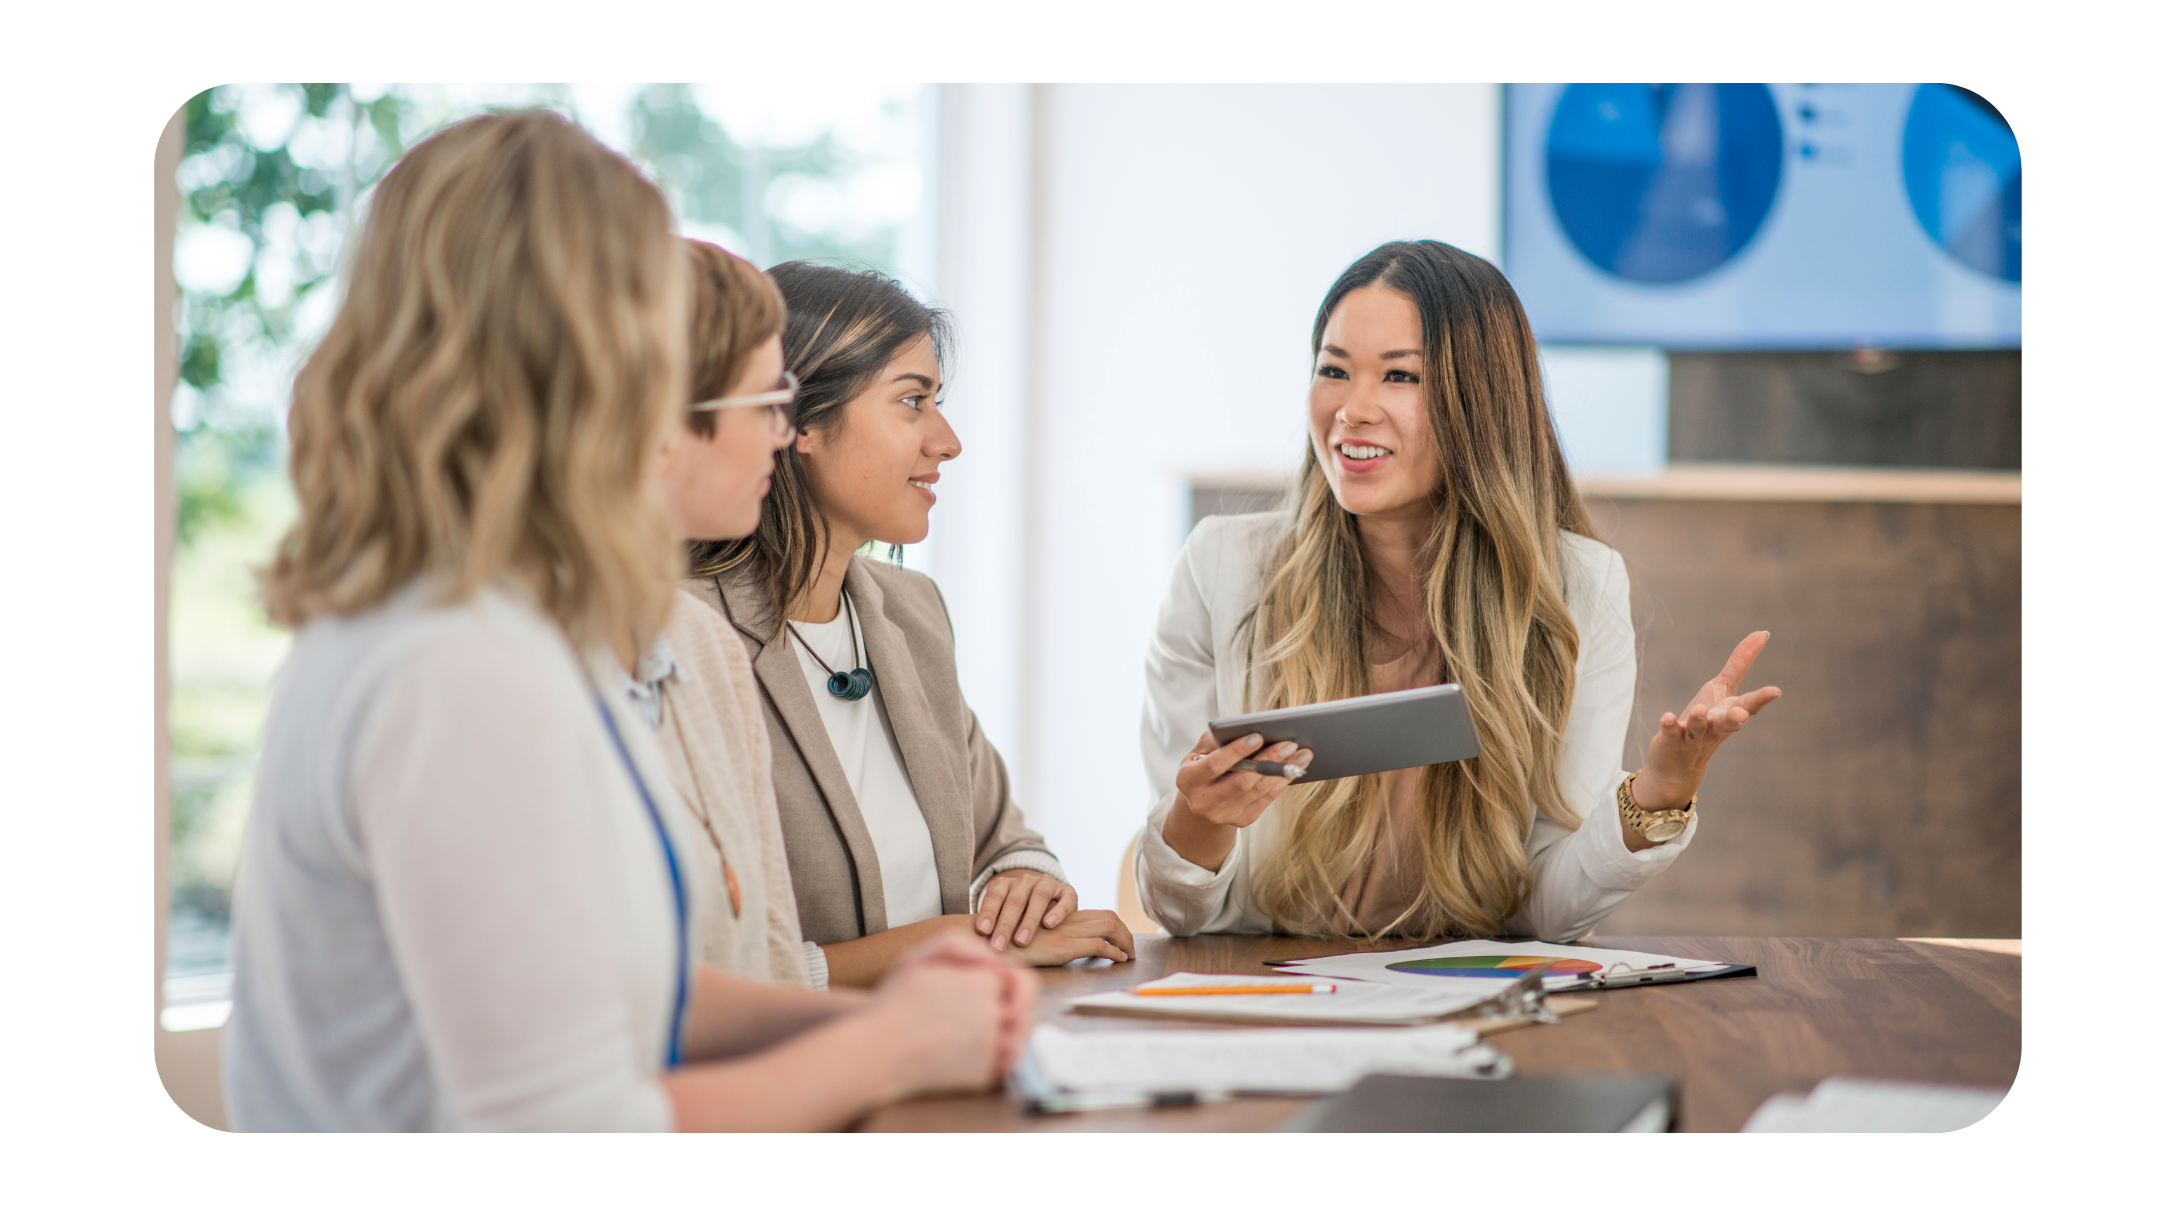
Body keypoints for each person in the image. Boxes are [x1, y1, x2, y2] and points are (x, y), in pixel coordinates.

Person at [222, 110, 1033, 1132]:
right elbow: (562, 1131)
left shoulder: (491, 626)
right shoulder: (459, 665)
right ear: (589, 353)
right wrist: (892, 1041)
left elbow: (623, 996)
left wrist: (897, 1009)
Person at [1133, 240, 1781, 942]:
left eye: (1399, 377)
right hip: (1277, 1003)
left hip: (1469, 1002)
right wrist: (1196, 820)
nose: (1352, 409)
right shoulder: (1221, 570)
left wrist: (1659, 794)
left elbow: (1547, 913)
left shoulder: (1577, 587)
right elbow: (1183, 912)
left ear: (1480, 400)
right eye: (1333, 370)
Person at [683, 263, 1135, 987]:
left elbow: (1002, 836)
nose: (946, 440)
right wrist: (953, 946)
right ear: (798, 421)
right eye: (912, 402)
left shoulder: (909, 610)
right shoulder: (682, 637)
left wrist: (1025, 883)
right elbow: (704, 975)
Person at [633, 240, 812, 986]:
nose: (783, 433)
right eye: (767, 404)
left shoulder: (702, 645)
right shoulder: (492, 664)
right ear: (664, 420)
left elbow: (770, 967)